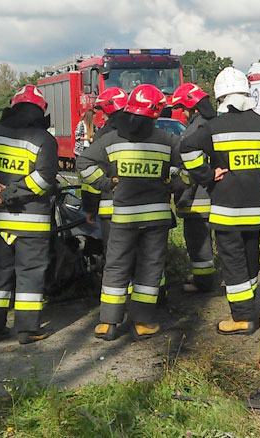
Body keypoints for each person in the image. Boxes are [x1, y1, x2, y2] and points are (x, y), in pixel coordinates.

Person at [180, 67, 260, 335]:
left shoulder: (213, 128)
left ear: (221, 98)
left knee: (233, 262)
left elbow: (186, 149)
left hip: (225, 209)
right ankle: (248, 299)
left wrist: (207, 175)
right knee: (250, 255)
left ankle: (243, 317)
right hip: (255, 209)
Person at [77, 84, 181, 341]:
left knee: (116, 266)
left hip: (123, 216)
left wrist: (107, 184)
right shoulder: (167, 140)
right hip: (156, 217)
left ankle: (108, 323)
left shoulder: (111, 139)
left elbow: (83, 163)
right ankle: (143, 322)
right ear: (156, 113)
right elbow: (191, 164)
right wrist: (176, 183)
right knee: (150, 268)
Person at [0, 86, 58, 345]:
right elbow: (44, 179)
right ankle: (28, 330)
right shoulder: (44, 139)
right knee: (30, 274)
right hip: (31, 222)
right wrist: (11, 193)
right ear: (41, 111)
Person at [169, 82, 219, 294]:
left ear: (193, 108)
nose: (183, 113)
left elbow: (187, 168)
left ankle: (204, 282)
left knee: (198, 241)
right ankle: (204, 276)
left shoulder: (194, 130)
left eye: (183, 109)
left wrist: (179, 194)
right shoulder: (214, 124)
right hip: (214, 195)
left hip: (196, 198)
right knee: (211, 240)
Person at [79, 88, 128, 246]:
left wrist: (90, 208)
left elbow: (90, 174)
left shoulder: (103, 137)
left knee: (114, 257)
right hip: (142, 211)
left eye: (103, 112)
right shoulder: (141, 132)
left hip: (111, 209)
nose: (102, 116)